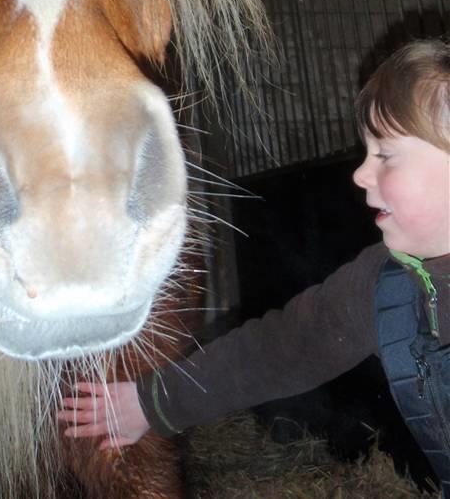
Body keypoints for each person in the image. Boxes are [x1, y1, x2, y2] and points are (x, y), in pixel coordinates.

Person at [57, 38, 450, 496]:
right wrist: (151, 403)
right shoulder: (386, 286)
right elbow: (284, 348)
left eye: (385, 155)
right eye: (365, 153)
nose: (360, 174)